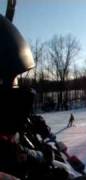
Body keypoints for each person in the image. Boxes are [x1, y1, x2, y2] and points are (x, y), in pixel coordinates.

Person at [0, 14, 73, 180]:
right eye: (12, 80)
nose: (17, 87)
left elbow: (48, 160)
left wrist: (31, 126)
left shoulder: (11, 128)